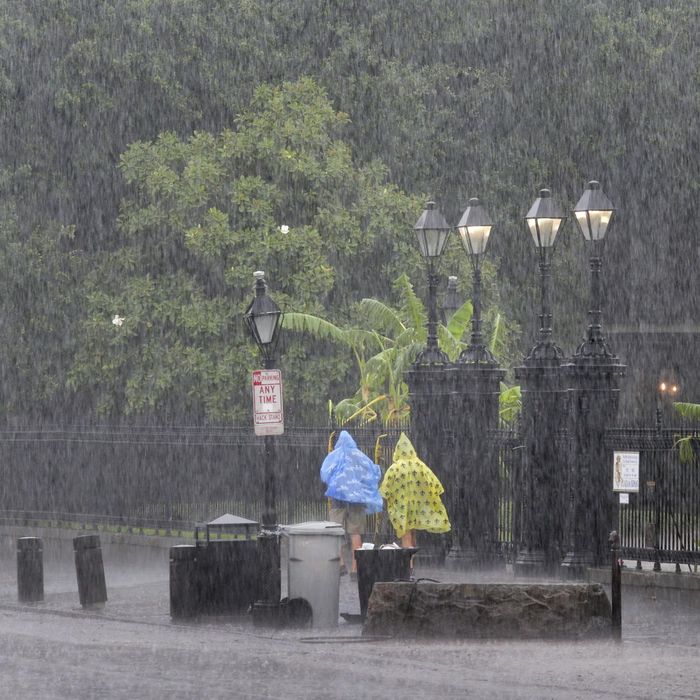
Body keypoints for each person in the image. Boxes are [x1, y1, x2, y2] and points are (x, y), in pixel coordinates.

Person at [320, 430, 383, 579]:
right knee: (356, 533)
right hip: (356, 500)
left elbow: (324, 473)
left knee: (336, 532)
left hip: (338, 499)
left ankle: (341, 564)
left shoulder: (334, 456)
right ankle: (355, 569)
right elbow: (372, 472)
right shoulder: (359, 456)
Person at [379, 432, 451, 556]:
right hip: (417, 506)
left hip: (401, 507)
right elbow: (436, 485)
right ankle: (411, 560)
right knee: (412, 533)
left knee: (405, 533)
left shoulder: (395, 468)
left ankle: (408, 564)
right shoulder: (420, 465)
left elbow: (385, 490)